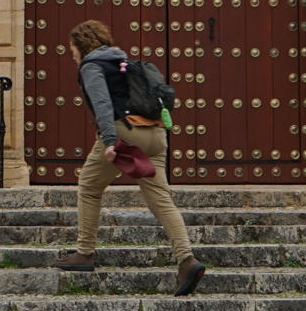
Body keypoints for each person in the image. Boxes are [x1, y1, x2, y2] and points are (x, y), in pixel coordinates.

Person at [54, 19, 206, 296]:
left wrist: (110, 141)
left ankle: (84, 253)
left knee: (89, 186)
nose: (71, 54)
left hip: (125, 133)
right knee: (161, 198)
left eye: (72, 48)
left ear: (82, 45)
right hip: (156, 135)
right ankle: (187, 259)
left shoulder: (91, 65)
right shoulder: (123, 61)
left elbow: (102, 103)